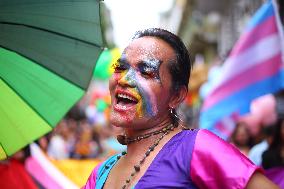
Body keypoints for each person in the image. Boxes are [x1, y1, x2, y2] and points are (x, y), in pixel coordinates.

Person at [83, 28, 278, 189]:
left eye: (146, 72)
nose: (124, 80)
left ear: (176, 96)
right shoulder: (100, 174)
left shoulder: (197, 149)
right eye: (120, 68)